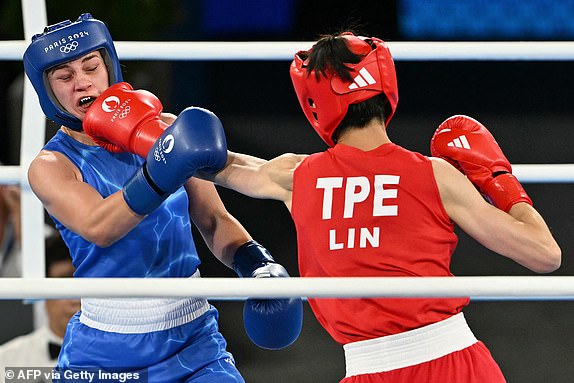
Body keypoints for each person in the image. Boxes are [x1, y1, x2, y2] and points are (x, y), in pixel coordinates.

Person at [180, 32, 558, 382]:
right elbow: (544, 254)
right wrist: (499, 180)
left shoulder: (296, 176)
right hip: (459, 365)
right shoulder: (436, 175)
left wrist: (154, 134)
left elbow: (219, 164)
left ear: (314, 103)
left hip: (371, 368)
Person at [22, 13, 302, 382]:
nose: (82, 82)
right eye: (65, 76)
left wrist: (256, 262)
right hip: (105, 350)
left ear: (110, 68)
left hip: (194, 341)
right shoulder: (51, 165)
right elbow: (99, 226)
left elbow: (213, 219)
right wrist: (160, 170)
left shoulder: (163, 129)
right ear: (48, 92)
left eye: (91, 67)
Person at [0, 232, 80, 383]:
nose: (76, 299)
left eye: (85, 285)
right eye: (63, 283)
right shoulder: (6, 361)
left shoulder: (123, 360)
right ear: (42, 290)